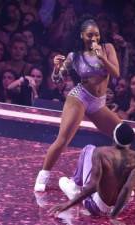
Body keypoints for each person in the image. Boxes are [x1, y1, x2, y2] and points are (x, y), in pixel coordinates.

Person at [34, 18, 121, 191]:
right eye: (90, 35)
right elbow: (57, 80)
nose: (94, 38)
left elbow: (116, 73)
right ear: (82, 35)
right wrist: (56, 68)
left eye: (96, 34)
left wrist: (102, 58)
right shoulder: (75, 56)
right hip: (79, 97)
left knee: (122, 136)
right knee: (64, 139)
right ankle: (42, 176)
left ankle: (115, 179)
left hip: (98, 103)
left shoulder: (107, 48)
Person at [49, 123, 135, 218]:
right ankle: (78, 188)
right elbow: (127, 189)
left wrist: (67, 205)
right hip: (118, 209)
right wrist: (113, 216)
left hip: (95, 207)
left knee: (88, 149)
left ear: (114, 137)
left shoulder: (100, 153)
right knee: (125, 187)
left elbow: (93, 186)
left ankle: (75, 187)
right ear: (130, 141)